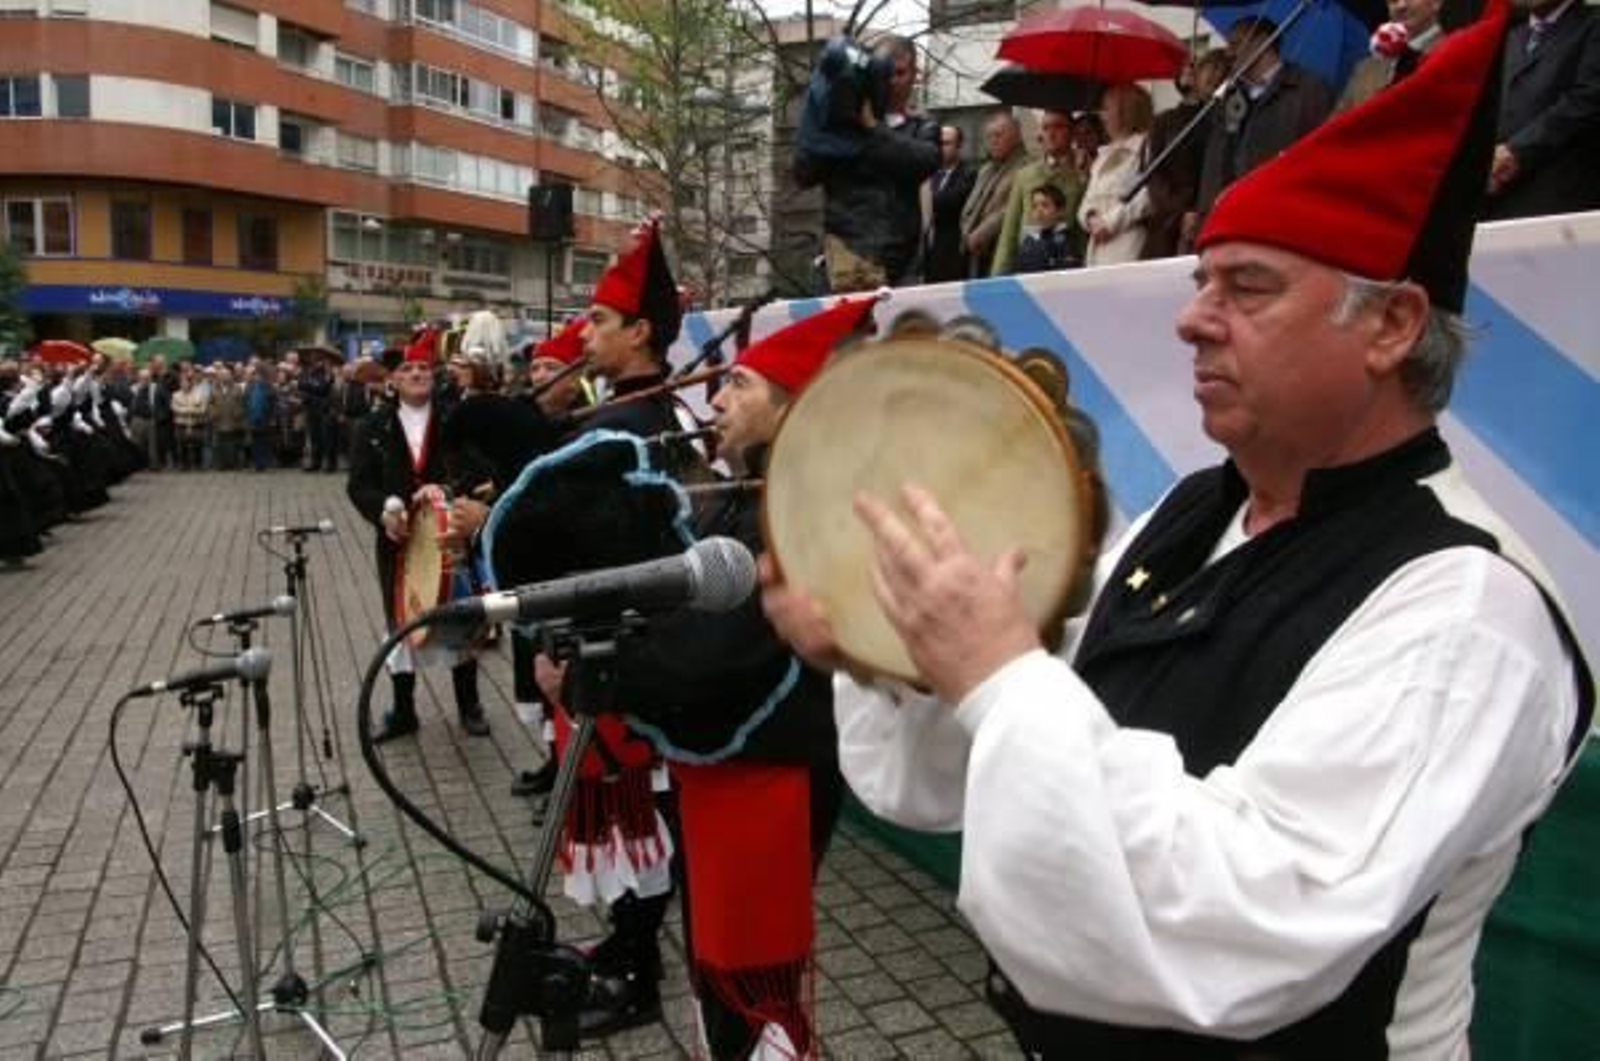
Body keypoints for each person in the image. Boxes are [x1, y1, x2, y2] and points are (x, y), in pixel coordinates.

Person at [762, 3, 1592, 1056]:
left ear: (1391, 325)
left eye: (1247, 287)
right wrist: (902, 656)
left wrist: (995, 671)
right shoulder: (1192, 512)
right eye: (1201, 280)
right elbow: (981, 765)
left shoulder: (1467, 610)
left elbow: (1245, 924)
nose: (1192, 318)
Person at [568, 297, 874, 1058]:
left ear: (794, 402)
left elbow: (713, 653)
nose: (716, 398)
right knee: (723, 959)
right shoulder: (757, 492)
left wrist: (600, 673)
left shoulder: (801, 503)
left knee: (749, 974)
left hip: (773, 770)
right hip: (738, 767)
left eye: (739, 384)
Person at [346, 328, 492, 744]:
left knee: (463, 617)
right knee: (400, 622)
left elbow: (479, 470)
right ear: (392, 380)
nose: (416, 374)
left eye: (423, 368)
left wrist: (445, 490)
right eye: (407, 369)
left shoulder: (455, 418)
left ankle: (470, 705)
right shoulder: (370, 427)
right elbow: (358, 485)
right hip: (398, 541)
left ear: (434, 374)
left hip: (451, 536)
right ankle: (404, 711)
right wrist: (384, 510)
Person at [793, 34, 940, 291]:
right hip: (843, 262)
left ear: (915, 74)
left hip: (898, 267)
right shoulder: (842, 125)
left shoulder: (921, 126)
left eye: (900, 72)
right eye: (885, 72)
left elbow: (924, 161)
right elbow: (803, 175)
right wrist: (820, 122)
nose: (892, 81)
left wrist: (872, 127)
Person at [1193, 17, 1335, 237]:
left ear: (1263, 43)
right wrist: (1204, 217)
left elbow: (1321, 157)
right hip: (1228, 219)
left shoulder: (1309, 90)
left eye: (1236, 44)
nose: (1228, 53)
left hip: (1281, 218)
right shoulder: (1228, 96)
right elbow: (1213, 164)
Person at [1484, 0, 1600, 219]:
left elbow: (1587, 99)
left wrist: (1516, 152)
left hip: (1563, 201)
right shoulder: (1509, 36)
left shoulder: (1593, 23)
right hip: (1497, 200)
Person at [1142, 51, 1230, 260]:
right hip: (1170, 221)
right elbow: (1154, 173)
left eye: (1220, 69)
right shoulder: (1165, 120)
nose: (1213, 75)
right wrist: (1180, 212)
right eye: (1208, 68)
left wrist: (1199, 210)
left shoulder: (1223, 119)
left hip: (1208, 214)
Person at [992, 110, 1087, 276]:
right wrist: (997, 276)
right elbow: (1009, 231)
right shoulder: (1025, 175)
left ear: (1072, 133)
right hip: (1029, 263)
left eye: (1058, 127)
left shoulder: (1082, 174)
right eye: (1045, 128)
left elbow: (1083, 234)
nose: (1051, 133)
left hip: (1066, 266)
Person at [1078, 83, 1156, 267]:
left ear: (1126, 111)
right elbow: (1087, 201)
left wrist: (1111, 222)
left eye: (1106, 108)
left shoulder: (1146, 147)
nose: (1101, 115)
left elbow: (1150, 195)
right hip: (1097, 249)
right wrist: (1090, 218)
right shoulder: (1102, 156)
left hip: (1128, 245)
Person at [1338, 0, 1448, 111]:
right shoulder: (1365, 69)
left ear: (1436, 2)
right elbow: (1335, 125)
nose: (1401, 5)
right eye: (1393, 0)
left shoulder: (1453, 59)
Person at [959, 112, 1030, 279]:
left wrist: (982, 233)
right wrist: (966, 232)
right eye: (989, 136)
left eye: (998, 135)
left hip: (1003, 247)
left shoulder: (1027, 166)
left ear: (1017, 137)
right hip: (975, 250)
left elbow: (1010, 208)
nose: (993, 141)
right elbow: (970, 206)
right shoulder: (985, 169)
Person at [923, 125, 977, 283]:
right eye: (938, 143)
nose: (940, 148)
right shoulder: (929, 173)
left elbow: (950, 202)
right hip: (926, 256)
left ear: (959, 146)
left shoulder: (969, 174)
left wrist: (924, 199)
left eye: (946, 143)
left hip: (952, 254)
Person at [1013, 186, 1080, 274]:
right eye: (1034, 206)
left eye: (1045, 205)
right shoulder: (1029, 239)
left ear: (1060, 211)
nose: (1039, 211)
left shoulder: (1066, 239)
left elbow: (1069, 269)